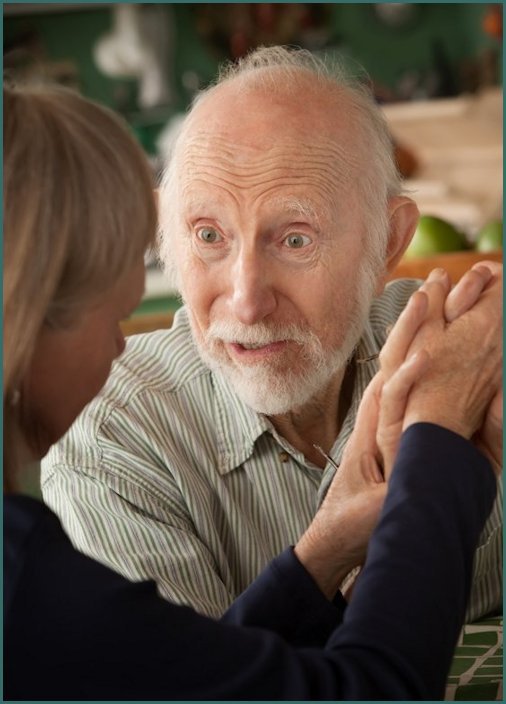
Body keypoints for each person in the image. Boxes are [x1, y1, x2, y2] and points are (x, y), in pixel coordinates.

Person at [3, 81, 501, 701]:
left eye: (295, 239)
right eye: (207, 236)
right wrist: (439, 438)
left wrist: (321, 551)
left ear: (389, 242)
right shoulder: (37, 548)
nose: (244, 301)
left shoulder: (463, 338)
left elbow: (195, 688)